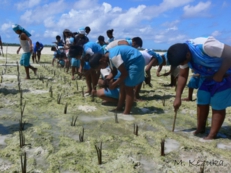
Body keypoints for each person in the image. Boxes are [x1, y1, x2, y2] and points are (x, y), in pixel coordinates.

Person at [167, 36, 231, 140]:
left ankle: (212, 135)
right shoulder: (182, 54)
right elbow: (183, 75)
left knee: (217, 103)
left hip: (226, 74)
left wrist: (220, 74)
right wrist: (177, 97)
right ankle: (200, 129)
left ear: (188, 55)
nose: (182, 65)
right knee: (202, 99)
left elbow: (230, 53)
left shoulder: (207, 46)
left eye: (182, 63)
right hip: (207, 76)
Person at [88, 45, 145, 114]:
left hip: (135, 61)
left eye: (100, 67)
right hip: (129, 61)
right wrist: (108, 78)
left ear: (102, 60)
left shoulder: (113, 57)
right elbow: (114, 71)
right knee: (122, 84)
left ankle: (126, 112)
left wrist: (114, 84)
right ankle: (119, 107)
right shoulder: (108, 56)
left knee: (128, 88)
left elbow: (124, 74)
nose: (102, 69)